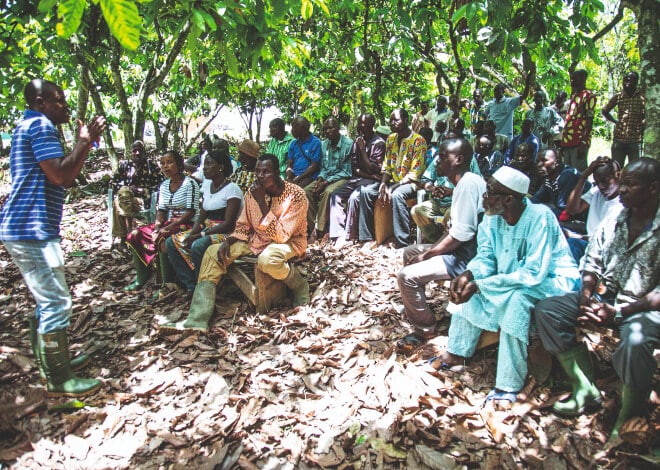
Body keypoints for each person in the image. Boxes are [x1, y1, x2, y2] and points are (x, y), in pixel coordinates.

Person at [430, 167, 580, 406]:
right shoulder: (491, 217)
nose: (484, 197)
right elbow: (485, 257)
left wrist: (481, 285)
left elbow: (534, 273)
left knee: (516, 301)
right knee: (469, 289)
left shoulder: (540, 217)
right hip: (512, 278)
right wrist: (469, 274)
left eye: (489, 192)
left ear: (508, 199)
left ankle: (508, 383)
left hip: (551, 280)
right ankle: (458, 351)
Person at [533, 158, 659, 440]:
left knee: (635, 343)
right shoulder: (616, 217)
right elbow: (592, 260)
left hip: (643, 309)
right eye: (621, 183)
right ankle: (584, 387)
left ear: (653, 188)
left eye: (629, 185)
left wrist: (620, 312)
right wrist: (586, 296)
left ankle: (629, 415)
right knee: (549, 310)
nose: (621, 190)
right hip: (606, 298)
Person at [0, 78, 106, 396]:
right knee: (56, 302)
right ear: (40, 102)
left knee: (47, 300)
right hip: (31, 227)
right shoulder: (40, 126)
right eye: (59, 100)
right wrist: (84, 142)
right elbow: (60, 176)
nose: (66, 106)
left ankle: (52, 365)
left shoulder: (28, 125)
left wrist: (84, 145)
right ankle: (59, 381)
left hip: (27, 226)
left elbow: (65, 176)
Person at [158, 154, 309, 334]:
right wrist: (228, 241)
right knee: (212, 253)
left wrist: (261, 202)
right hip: (256, 239)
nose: (260, 176)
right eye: (258, 172)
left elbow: (281, 236)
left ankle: (299, 286)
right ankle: (197, 319)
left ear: (277, 173)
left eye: (266, 172)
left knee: (268, 259)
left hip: (289, 241)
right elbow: (243, 226)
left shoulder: (296, 195)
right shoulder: (252, 193)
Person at [396, 138, 486, 353]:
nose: (437, 160)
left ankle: (425, 329)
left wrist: (429, 254)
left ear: (459, 159)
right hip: (461, 249)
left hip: (468, 257)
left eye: (444, 156)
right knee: (410, 253)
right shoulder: (463, 182)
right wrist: (428, 251)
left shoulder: (467, 185)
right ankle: (416, 308)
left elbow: (461, 235)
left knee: (406, 276)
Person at [166, 150, 243, 295]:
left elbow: (229, 223)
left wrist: (200, 235)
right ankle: (191, 283)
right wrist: (192, 234)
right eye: (204, 164)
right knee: (172, 242)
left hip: (226, 233)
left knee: (198, 245)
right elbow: (201, 217)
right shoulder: (208, 187)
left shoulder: (232, 189)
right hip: (207, 229)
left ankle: (203, 285)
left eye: (209, 164)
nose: (204, 168)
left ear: (220, 167)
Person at [125, 150, 199, 293]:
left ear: (179, 164)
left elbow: (191, 212)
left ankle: (167, 284)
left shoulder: (190, 183)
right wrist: (157, 226)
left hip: (187, 223)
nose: (165, 166)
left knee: (162, 238)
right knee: (135, 234)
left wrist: (166, 229)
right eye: (163, 163)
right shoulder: (164, 185)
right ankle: (142, 277)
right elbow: (162, 211)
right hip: (168, 223)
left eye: (170, 162)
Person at [358, 108, 427, 247]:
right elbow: (387, 166)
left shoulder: (418, 141)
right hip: (392, 181)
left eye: (396, 120)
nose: (392, 123)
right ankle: (367, 237)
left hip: (411, 183)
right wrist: (383, 183)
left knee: (397, 195)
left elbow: (415, 174)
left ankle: (402, 241)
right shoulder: (391, 139)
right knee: (366, 191)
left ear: (406, 121)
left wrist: (393, 187)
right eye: (390, 121)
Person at [328, 113, 385, 245]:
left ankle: (352, 235)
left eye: (363, 123)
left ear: (371, 125)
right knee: (335, 195)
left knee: (354, 198)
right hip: (360, 178)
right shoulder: (358, 141)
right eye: (359, 123)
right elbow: (355, 169)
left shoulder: (379, 143)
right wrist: (368, 175)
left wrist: (362, 149)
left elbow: (373, 168)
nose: (359, 126)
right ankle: (337, 233)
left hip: (372, 182)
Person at [562, 157, 622, 261]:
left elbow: (610, 240)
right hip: (588, 241)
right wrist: (583, 177)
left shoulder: (625, 201)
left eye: (605, 181)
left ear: (617, 175)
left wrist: (578, 237)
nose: (601, 186)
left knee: (572, 243)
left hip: (604, 248)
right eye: (597, 182)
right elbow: (571, 210)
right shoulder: (596, 192)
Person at [305, 117, 353, 243]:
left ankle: (318, 229)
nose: (327, 131)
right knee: (307, 191)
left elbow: (346, 171)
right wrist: (320, 179)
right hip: (327, 177)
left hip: (343, 177)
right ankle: (313, 227)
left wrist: (325, 183)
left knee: (328, 192)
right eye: (325, 129)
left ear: (338, 128)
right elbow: (324, 167)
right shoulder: (324, 144)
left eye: (330, 128)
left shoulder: (348, 144)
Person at [110, 140, 162, 246]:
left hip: (143, 201)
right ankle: (129, 233)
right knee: (123, 194)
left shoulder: (151, 166)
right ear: (131, 152)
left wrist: (143, 190)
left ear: (144, 152)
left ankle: (124, 237)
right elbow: (112, 183)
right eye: (135, 150)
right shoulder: (124, 165)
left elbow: (161, 184)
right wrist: (128, 188)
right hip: (126, 199)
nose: (137, 153)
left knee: (118, 201)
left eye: (140, 150)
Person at [601, 71, 645, 167]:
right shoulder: (618, 96)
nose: (626, 83)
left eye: (629, 80)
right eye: (625, 80)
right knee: (616, 168)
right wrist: (616, 121)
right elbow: (604, 111)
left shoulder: (642, 96)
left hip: (635, 140)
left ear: (636, 82)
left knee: (635, 169)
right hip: (619, 139)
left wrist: (643, 123)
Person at [532, 148, 589, 217]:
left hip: (585, 217)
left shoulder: (567, 175)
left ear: (557, 162)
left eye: (544, 160)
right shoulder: (549, 176)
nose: (539, 164)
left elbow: (563, 211)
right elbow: (536, 199)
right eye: (537, 161)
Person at [560, 69, 597, 171]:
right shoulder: (574, 96)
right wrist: (563, 142)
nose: (571, 81)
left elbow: (589, 120)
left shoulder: (589, 96)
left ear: (583, 79)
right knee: (567, 171)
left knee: (578, 172)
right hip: (568, 140)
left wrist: (584, 142)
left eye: (574, 78)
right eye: (571, 79)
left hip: (579, 140)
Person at [286, 115, 322, 189]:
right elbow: (289, 163)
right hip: (294, 175)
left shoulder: (316, 142)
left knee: (296, 191)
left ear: (303, 128)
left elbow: (314, 167)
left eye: (294, 127)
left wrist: (298, 178)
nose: (292, 130)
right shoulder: (293, 143)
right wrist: (289, 177)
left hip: (308, 177)